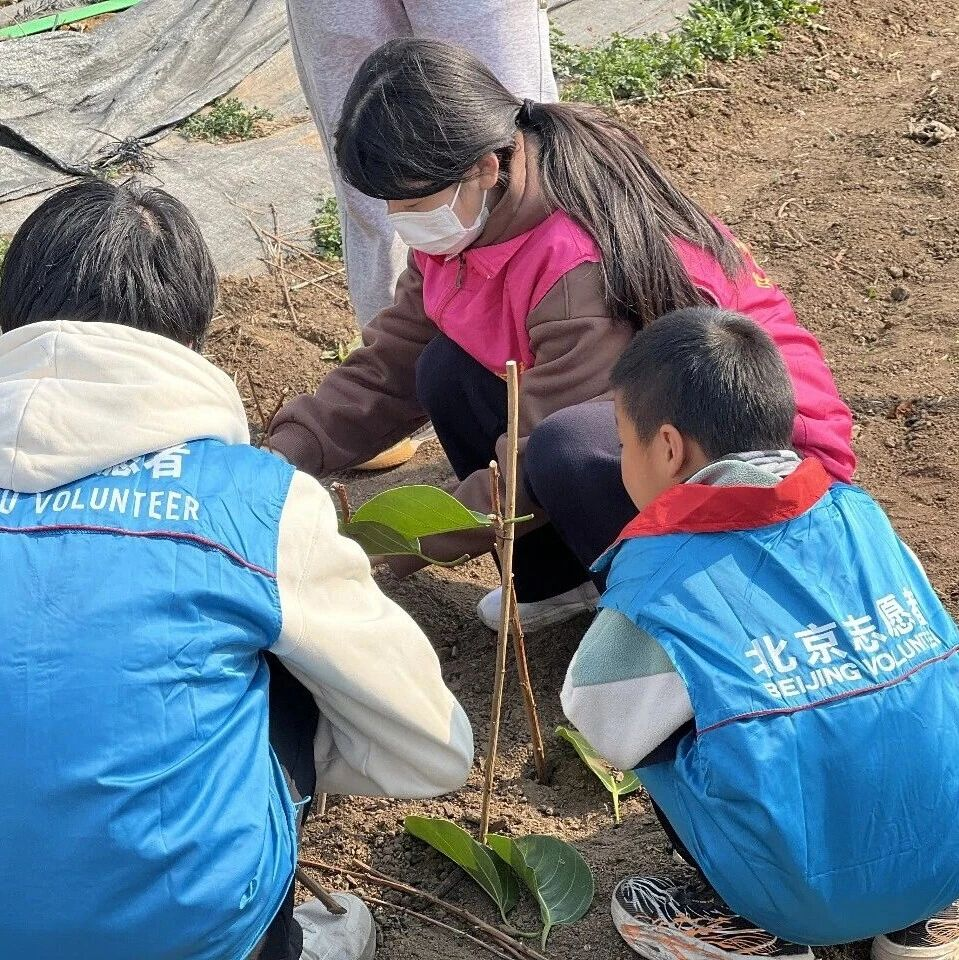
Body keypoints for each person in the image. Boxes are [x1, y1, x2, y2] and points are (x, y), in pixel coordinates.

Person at [0, 179, 474, 960]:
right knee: (283, 667)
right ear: (193, 335)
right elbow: (431, 746)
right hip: (183, 931)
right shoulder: (253, 502)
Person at [268, 38, 856, 635]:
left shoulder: (577, 262)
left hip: (766, 475)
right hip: (653, 420)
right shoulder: (480, 208)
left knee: (566, 446)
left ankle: (681, 624)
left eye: (415, 200)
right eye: (391, 203)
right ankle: (560, 579)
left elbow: (526, 465)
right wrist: (283, 455)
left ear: (486, 166)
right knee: (444, 368)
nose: (402, 219)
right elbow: (391, 363)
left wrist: (376, 544)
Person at [562, 307, 959, 960]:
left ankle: (749, 924)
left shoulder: (662, 575)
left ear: (668, 448)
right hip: (949, 859)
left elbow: (598, 715)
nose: (622, 459)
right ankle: (920, 921)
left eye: (623, 442)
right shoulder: (859, 514)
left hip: (800, 899)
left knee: (660, 730)